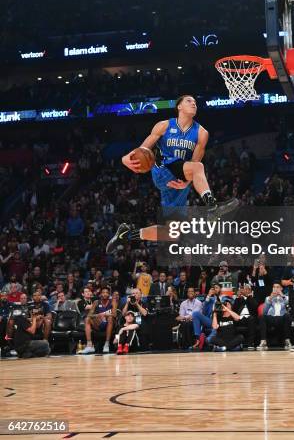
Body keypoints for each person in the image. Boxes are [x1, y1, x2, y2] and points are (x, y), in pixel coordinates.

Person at [106, 95, 238, 251]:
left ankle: (126, 235)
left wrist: (187, 183)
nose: (193, 103)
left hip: (180, 181)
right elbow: (144, 149)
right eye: (189, 101)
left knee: (172, 233)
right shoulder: (164, 125)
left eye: (195, 102)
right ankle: (212, 207)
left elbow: (195, 163)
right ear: (179, 107)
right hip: (163, 170)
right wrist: (124, 158)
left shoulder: (202, 133)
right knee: (198, 167)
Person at [81, 287, 118, 354]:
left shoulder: (113, 302)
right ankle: (89, 345)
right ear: (100, 294)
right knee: (87, 319)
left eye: (106, 293)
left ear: (109, 294)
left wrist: (104, 315)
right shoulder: (96, 302)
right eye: (103, 292)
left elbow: (114, 315)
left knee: (110, 318)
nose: (105, 294)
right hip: (99, 323)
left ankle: (106, 344)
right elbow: (89, 315)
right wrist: (98, 315)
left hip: (109, 323)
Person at [257, 283, 291, 351]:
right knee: (262, 316)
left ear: (281, 288)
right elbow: (265, 312)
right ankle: (263, 341)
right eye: (274, 287)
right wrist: (270, 298)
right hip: (272, 318)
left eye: (277, 287)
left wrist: (282, 296)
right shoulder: (268, 298)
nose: (276, 289)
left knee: (287, 316)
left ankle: (287, 341)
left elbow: (288, 305)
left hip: (282, 318)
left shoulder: (286, 297)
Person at [232, 284, 258, 350]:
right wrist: (238, 297)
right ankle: (233, 343)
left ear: (250, 291)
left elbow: (254, 307)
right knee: (232, 320)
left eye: (247, 289)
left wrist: (248, 297)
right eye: (244, 289)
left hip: (249, 318)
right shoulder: (238, 299)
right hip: (239, 317)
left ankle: (250, 343)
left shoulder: (253, 299)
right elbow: (234, 310)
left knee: (251, 319)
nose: (245, 291)